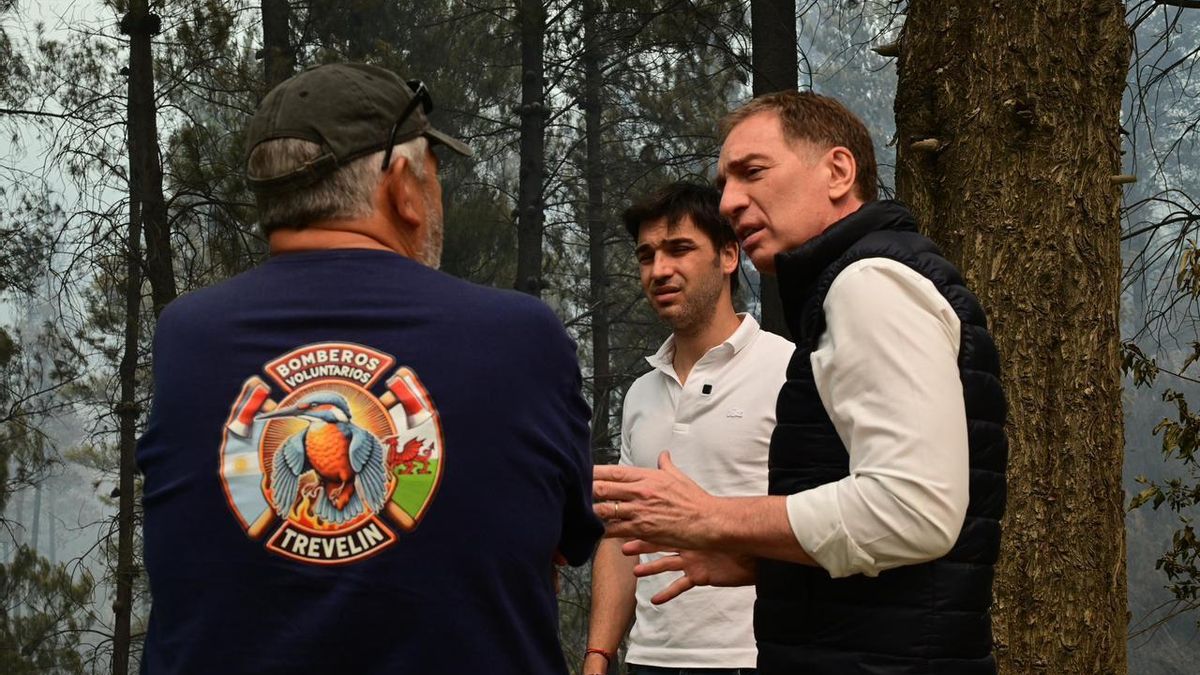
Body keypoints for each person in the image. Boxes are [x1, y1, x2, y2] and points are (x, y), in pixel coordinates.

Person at [136, 63, 603, 674]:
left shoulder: (186, 337)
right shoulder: (521, 336)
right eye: (435, 173)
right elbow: (567, 540)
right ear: (403, 188)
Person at [593, 90, 1008, 675]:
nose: (730, 202)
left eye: (752, 172)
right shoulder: (856, 284)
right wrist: (766, 562)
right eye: (725, 184)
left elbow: (912, 509)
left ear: (838, 171)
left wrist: (714, 518)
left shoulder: (867, 283)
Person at [583, 183, 793, 675]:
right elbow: (621, 534)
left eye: (679, 249)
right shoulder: (641, 393)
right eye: (647, 256)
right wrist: (598, 653)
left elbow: (822, 518)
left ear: (728, 256)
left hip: (755, 655)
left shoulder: (788, 371)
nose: (659, 270)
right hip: (649, 659)